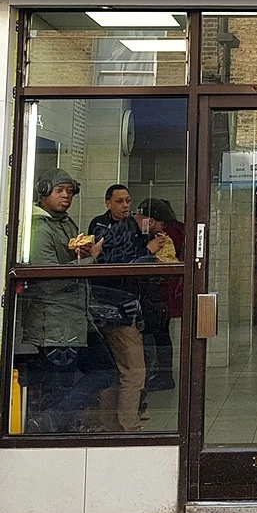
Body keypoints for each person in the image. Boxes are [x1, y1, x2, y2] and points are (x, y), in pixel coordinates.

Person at [20, 169, 115, 433]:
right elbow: (50, 278)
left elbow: (67, 263)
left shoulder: (65, 223)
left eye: (70, 191)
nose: (66, 196)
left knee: (105, 371)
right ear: (44, 191)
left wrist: (79, 254)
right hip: (55, 324)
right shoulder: (39, 228)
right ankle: (53, 424)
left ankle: (56, 419)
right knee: (58, 385)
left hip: (75, 320)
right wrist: (91, 258)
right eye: (59, 191)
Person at [88, 184, 151, 432]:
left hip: (126, 307)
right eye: (120, 201)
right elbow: (115, 263)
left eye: (128, 201)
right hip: (115, 309)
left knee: (118, 371)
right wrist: (147, 252)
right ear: (108, 203)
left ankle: (111, 424)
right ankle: (129, 426)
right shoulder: (102, 228)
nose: (125, 206)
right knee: (134, 372)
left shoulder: (132, 227)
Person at [137, 198, 185, 392]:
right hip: (169, 289)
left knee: (159, 334)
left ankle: (163, 375)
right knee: (161, 334)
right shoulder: (179, 230)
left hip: (162, 290)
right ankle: (162, 374)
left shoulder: (166, 235)